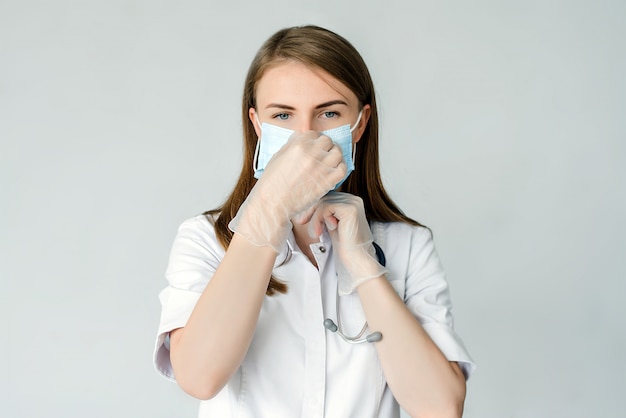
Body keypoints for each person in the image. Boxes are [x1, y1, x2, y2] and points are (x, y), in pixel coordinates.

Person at [154, 25, 475, 417]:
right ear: (257, 125)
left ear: (359, 122)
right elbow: (199, 377)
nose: (304, 136)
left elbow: (440, 407)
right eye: (283, 115)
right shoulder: (204, 239)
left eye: (329, 112)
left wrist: (362, 264)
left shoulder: (408, 246)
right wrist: (269, 206)